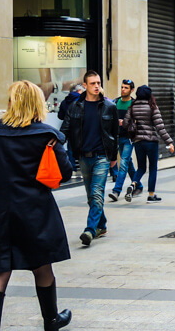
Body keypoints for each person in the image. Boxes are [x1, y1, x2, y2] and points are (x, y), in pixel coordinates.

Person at [0, 81, 74, 331]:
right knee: (42, 265)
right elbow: (63, 174)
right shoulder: (46, 135)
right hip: (35, 211)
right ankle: (51, 320)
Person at [61, 71, 119, 246]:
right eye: (92, 83)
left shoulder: (109, 106)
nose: (96, 86)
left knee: (96, 193)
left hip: (101, 156)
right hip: (83, 157)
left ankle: (90, 230)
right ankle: (101, 225)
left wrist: (113, 156)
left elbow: (114, 134)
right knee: (91, 196)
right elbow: (65, 129)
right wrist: (53, 140)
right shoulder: (75, 107)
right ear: (84, 86)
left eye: (98, 83)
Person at [122, 85, 175, 204]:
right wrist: (169, 142)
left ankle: (133, 183)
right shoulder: (152, 107)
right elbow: (160, 127)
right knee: (152, 168)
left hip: (138, 141)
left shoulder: (132, 106)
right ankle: (151, 195)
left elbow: (125, 123)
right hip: (151, 142)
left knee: (141, 167)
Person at [108, 79, 140, 202]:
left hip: (129, 138)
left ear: (131, 90)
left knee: (123, 163)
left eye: (126, 88)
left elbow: (139, 122)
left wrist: (126, 124)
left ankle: (116, 191)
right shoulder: (115, 102)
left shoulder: (134, 104)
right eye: (122, 87)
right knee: (128, 163)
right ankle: (139, 185)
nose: (123, 89)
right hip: (117, 137)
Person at [57, 83, 83, 174]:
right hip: (79, 127)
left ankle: (72, 168)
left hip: (68, 128)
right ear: (79, 91)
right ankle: (83, 167)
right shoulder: (80, 100)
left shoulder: (65, 101)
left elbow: (60, 116)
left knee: (70, 147)